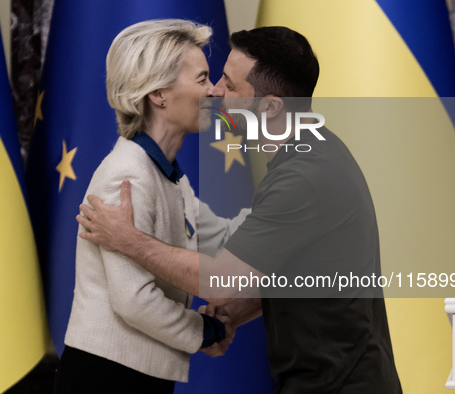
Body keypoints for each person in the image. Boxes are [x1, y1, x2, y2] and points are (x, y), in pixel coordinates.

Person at [76, 26, 403, 393]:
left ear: (271, 106)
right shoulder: (313, 151)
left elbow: (221, 281)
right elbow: (294, 270)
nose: (215, 91)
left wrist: (129, 240)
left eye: (230, 86)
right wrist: (234, 313)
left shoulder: (302, 177)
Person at [54, 19, 250, 394]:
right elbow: (134, 300)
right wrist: (206, 331)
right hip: (104, 378)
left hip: (135, 376)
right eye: (202, 79)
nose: (214, 91)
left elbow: (223, 239)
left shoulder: (168, 177)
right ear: (158, 94)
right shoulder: (125, 177)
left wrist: (291, 203)